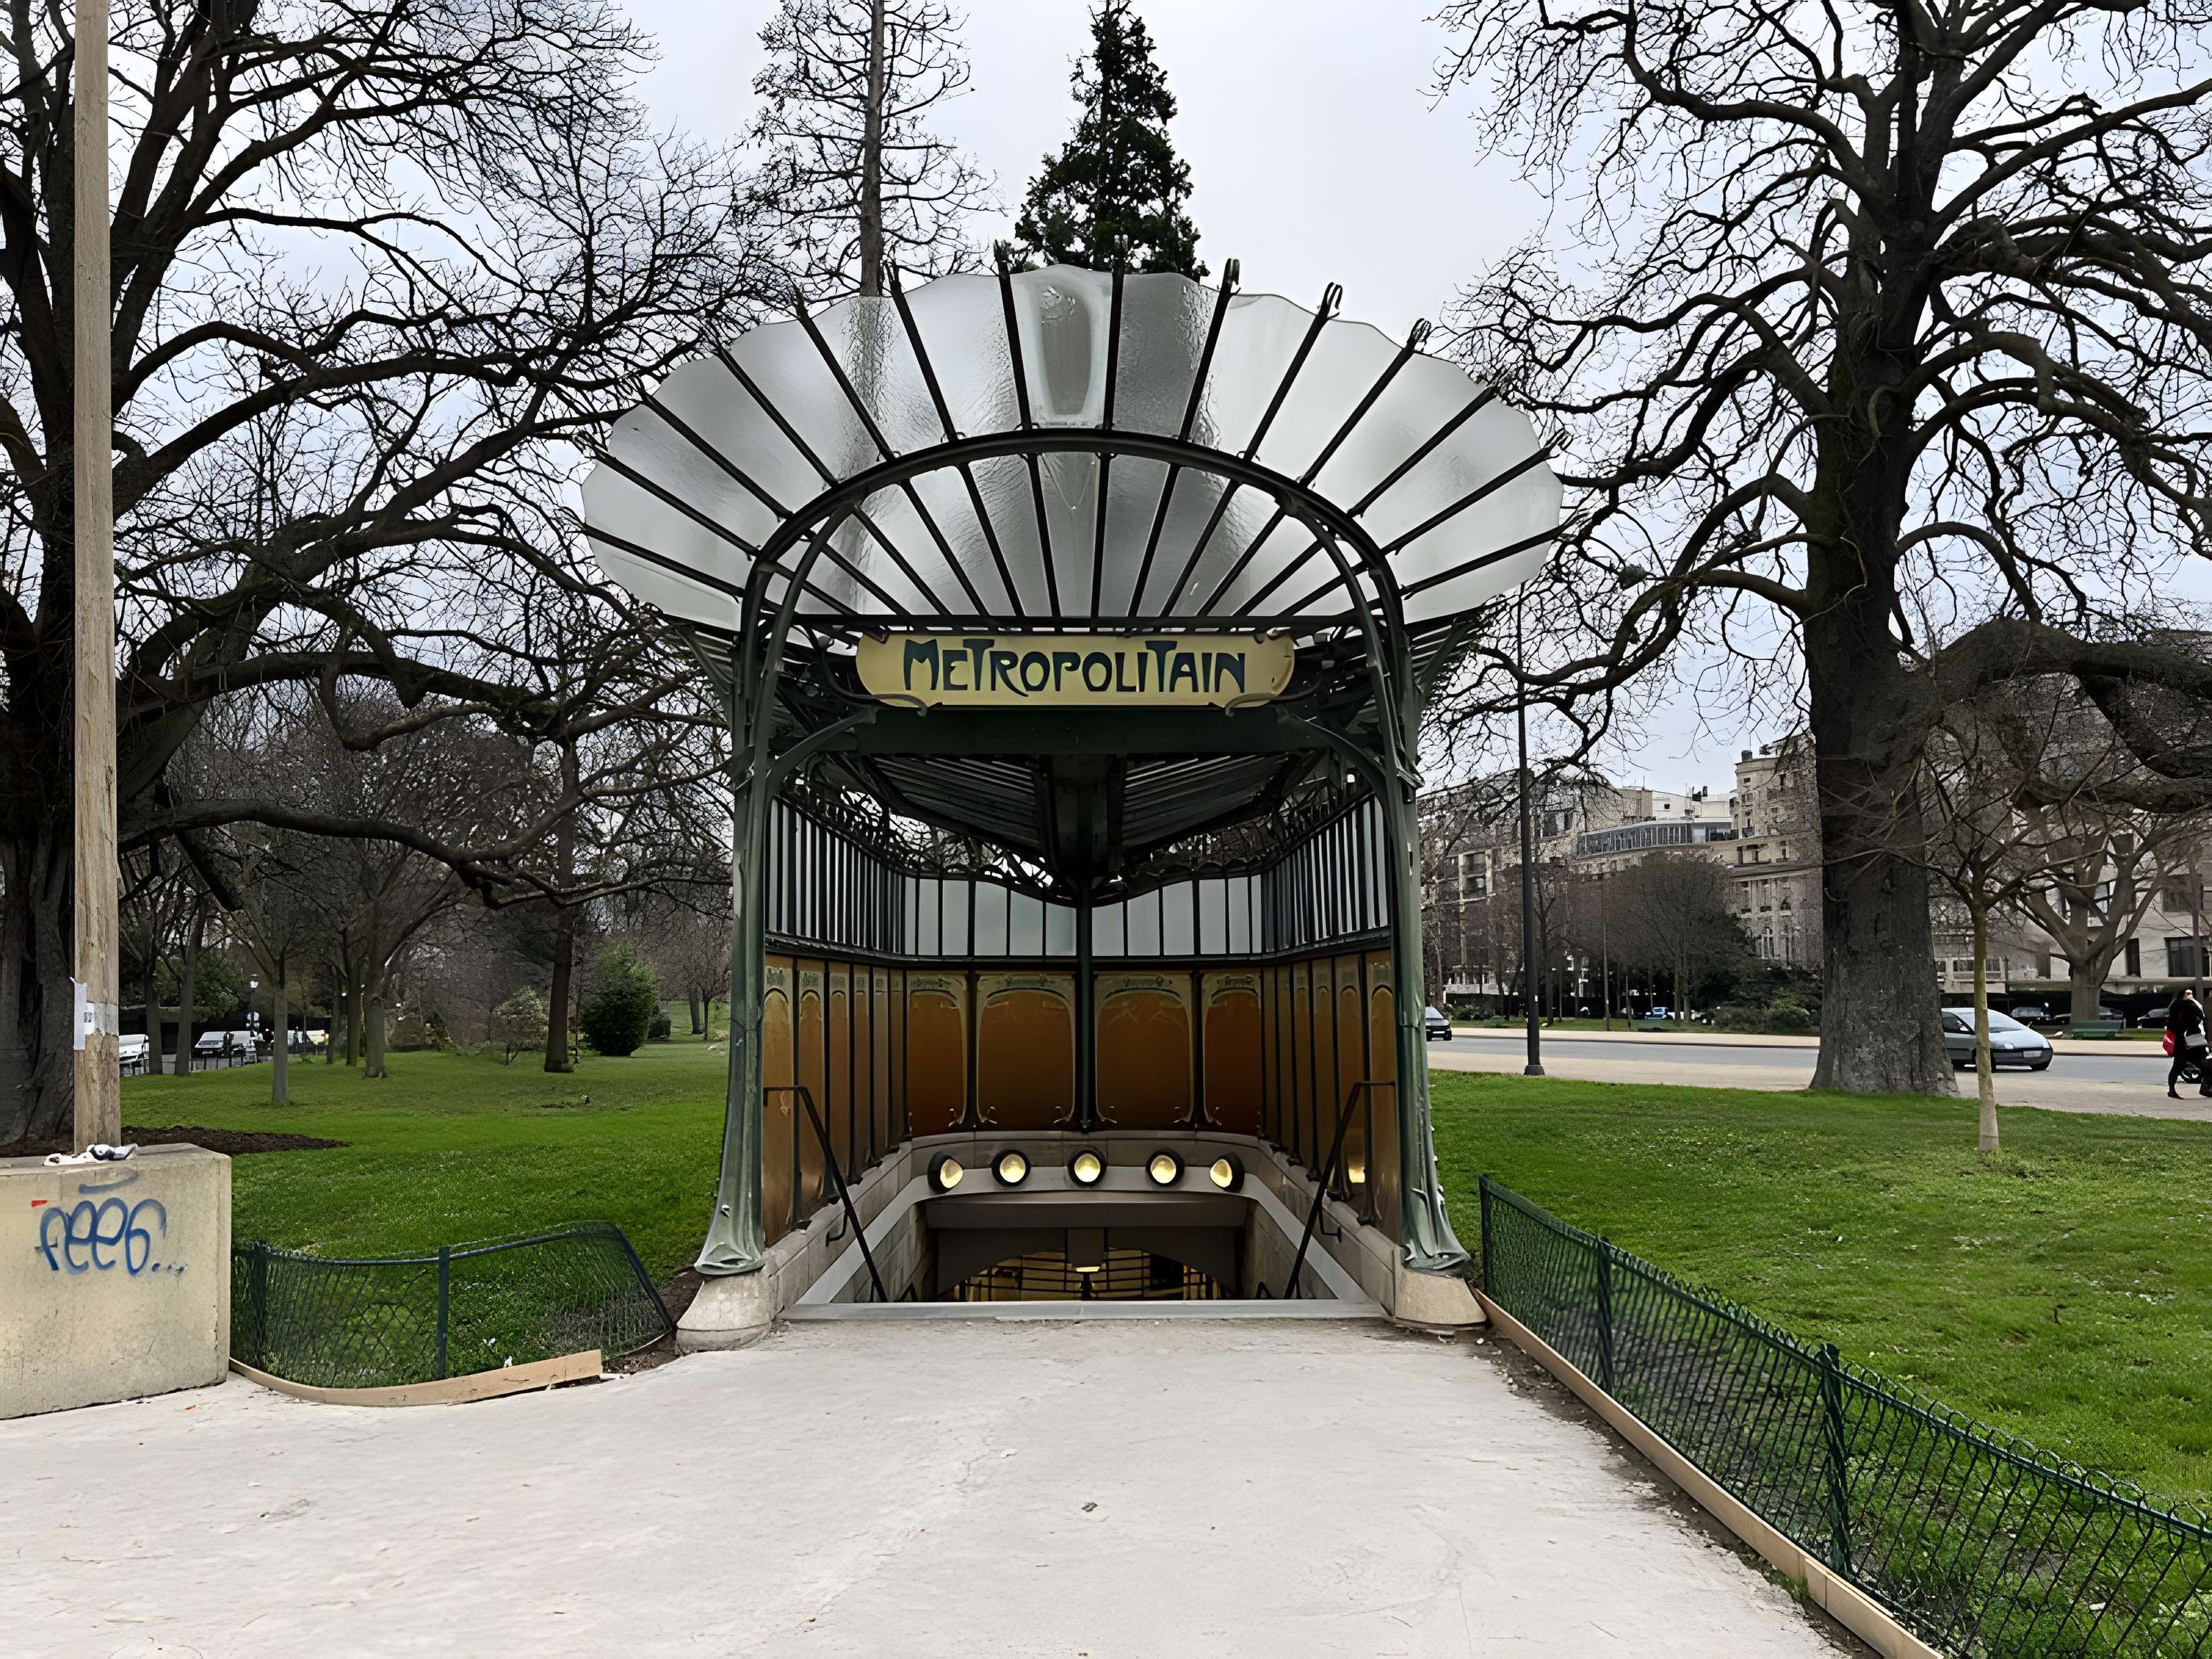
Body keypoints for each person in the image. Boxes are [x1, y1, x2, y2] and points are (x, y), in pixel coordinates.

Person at [2164, 987, 2209, 1099]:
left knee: (2178, 1066)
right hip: (2193, 1041)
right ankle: (2206, 1088)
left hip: (2181, 1041)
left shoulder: (2173, 1006)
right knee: (2205, 1065)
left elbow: (2171, 1025)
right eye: (2188, 993)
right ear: (2185, 995)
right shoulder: (2190, 1005)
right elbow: (2201, 1018)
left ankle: (2172, 1090)